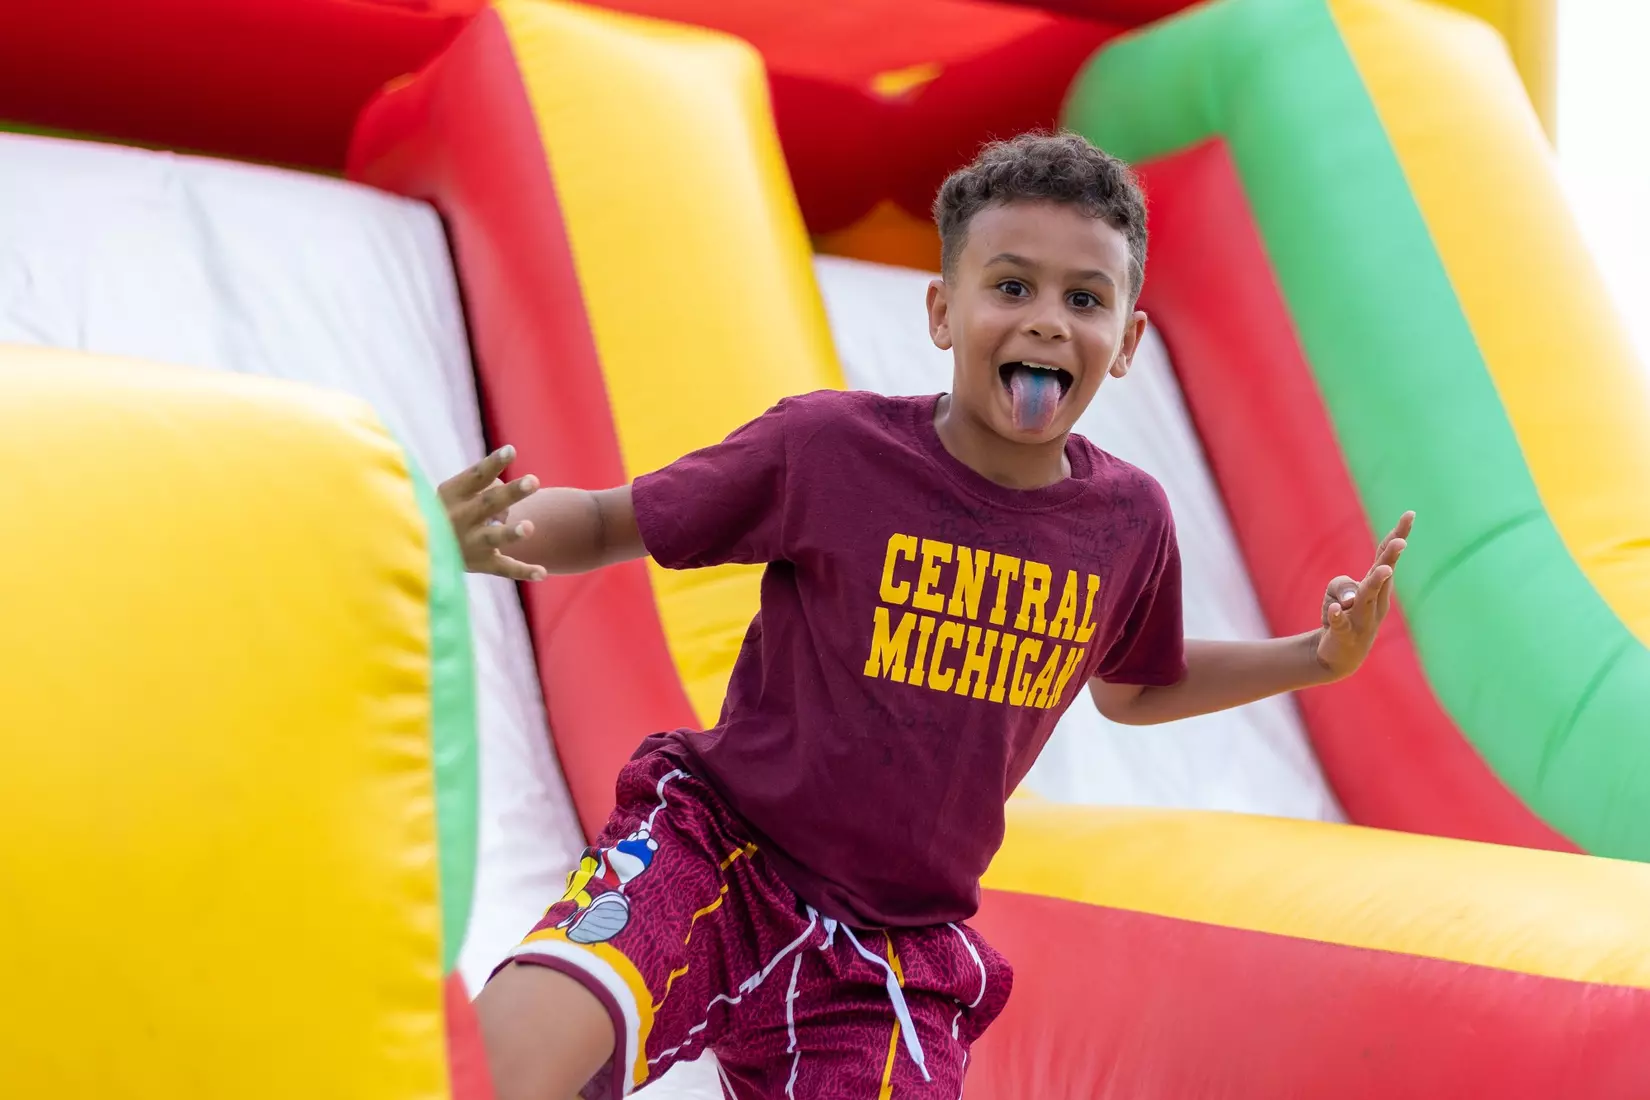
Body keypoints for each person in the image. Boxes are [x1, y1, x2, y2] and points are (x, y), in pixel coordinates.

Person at [437, 131, 1412, 1100]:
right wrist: (453, 535)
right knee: (516, 1057)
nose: (1046, 323)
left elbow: (1137, 685)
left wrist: (1314, 657)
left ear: (1127, 342)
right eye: (1012, 286)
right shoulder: (829, 447)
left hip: (886, 957)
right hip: (717, 853)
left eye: (1085, 299)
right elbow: (609, 519)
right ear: (944, 311)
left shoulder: (1127, 523)